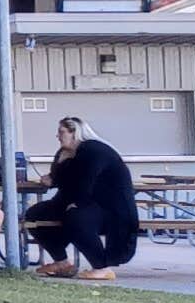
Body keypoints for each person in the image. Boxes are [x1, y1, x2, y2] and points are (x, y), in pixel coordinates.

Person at [27, 115, 141, 278]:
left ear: (75, 133)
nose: (58, 136)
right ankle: (62, 262)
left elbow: (86, 180)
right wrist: (54, 173)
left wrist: (77, 202)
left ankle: (101, 267)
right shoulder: (65, 152)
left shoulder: (93, 150)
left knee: (76, 218)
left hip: (109, 206)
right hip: (78, 200)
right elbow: (59, 178)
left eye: (61, 132)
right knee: (35, 215)